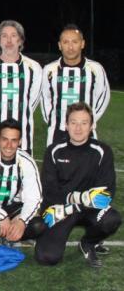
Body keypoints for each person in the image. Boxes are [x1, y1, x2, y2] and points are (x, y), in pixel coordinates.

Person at [35, 102, 121, 268]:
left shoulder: (103, 151)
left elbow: (105, 195)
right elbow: (49, 191)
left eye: (84, 123)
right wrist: (83, 199)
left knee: (111, 219)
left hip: (81, 210)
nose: (78, 128)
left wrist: (72, 204)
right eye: (73, 122)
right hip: (60, 210)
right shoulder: (54, 150)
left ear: (92, 125)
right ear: (66, 125)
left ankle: (88, 242)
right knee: (46, 257)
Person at [0, 118, 45, 252]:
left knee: (38, 225)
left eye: (14, 140)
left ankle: (11, 236)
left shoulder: (27, 161)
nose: (9, 145)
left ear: (20, 142)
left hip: (13, 207)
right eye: (5, 139)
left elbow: (35, 198)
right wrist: (1, 215)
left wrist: (22, 220)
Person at [0, 20, 42, 155]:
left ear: (21, 40)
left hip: (23, 138)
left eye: (13, 35)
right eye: (4, 36)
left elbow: (33, 101)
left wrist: (19, 111)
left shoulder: (33, 68)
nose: (9, 40)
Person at [41, 24, 110, 146]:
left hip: (87, 133)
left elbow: (103, 97)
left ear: (82, 44)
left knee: (88, 165)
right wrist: (54, 121)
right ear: (59, 45)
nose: (70, 47)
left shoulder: (95, 69)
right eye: (66, 42)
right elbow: (45, 99)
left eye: (75, 42)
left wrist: (87, 121)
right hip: (57, 133)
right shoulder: (49, 70)